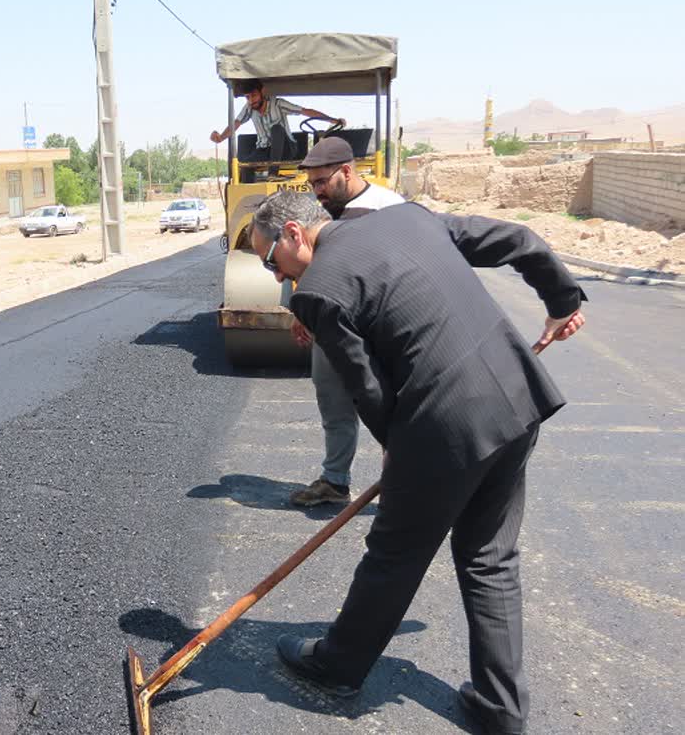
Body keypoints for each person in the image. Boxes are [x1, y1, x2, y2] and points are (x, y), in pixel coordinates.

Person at [247, 191, 586, 735]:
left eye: (271, 261)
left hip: (444, 426)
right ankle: (501, 709)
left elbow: (369, 390)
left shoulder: (318, 291)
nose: (277, 276)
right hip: (517, 402)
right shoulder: (408, 218)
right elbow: (519, 240)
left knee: (393, 554)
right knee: (489, 558)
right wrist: (563, 300)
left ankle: (337, 666)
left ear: (294, 232)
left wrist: (397, 452)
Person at [288, 137, 407, 508]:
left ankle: (404, 482)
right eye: (311, 184)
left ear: (346, 171)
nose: (317, 191)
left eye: (322, 182)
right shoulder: (316, 210)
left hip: (377, 325)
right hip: (329, 324)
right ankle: (335, 481)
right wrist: (298, 310)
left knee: (388, 403)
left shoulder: (389, 206)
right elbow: (299, 258)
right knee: (332, 401)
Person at [210, 79, 341, 180]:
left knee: (277, 128)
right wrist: (221, 137)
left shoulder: (278, 104)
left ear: (262, 92)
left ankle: (273, 174)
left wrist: (332, 119)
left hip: (287, 150)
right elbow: (236, 123)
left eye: (254, 95)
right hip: (264, 150)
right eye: (247, 97)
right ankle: (248, 196)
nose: (251, 101)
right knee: (245, 164)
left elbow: (305, 111)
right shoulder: (249, 108)